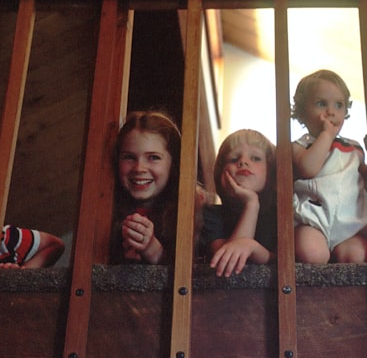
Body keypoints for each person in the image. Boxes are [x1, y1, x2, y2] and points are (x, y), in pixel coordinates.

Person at [290, 69, 367, 264]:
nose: (331, 111)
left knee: (357, 255)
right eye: (321, 104)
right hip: (313, 219)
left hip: (350, 224)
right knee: (312, 254)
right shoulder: (299, 146)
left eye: (339, 105)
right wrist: (327, 135)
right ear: (302, 112)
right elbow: (308, 169)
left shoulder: (353, 148)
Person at [111, 110, 187, 265]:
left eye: (153, 157)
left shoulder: (190, 215)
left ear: (173, 164)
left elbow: (190, 275)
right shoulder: (105, 212)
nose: (139, 168)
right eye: (129, 157)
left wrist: (153, 250)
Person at [202, 129, 278, 276]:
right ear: (221, 173)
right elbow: (228, 261)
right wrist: (251, 203)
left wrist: (253, 248)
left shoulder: (279, 214)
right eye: (233, 159)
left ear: (272, 172)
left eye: (255, 158)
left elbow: (283, 260)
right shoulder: (211, 214)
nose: (243, 162)